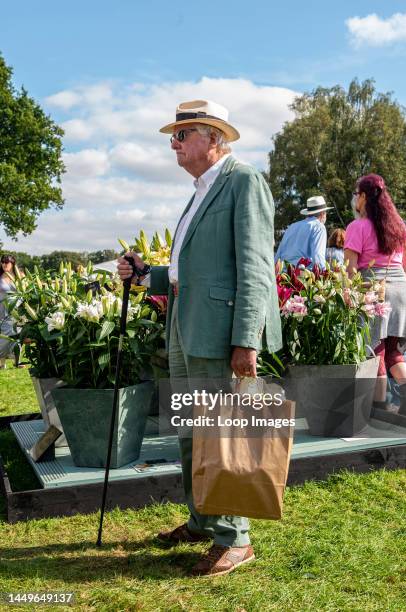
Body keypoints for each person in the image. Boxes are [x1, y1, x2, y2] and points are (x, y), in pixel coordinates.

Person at [118, 99, 282, 577]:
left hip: (218, 333)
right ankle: (203, 520)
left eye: (184, 133)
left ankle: (236, 538)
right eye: (175, 133)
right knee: (193, 434)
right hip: (186, 330)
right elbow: (190, 272)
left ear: (214, 138)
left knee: (222, 433)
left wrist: (246, 338)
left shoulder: (243, 181)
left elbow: (255, 266)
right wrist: (147, 274)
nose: (175, 142)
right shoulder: (199, 192)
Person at [344, 174, 406, 416]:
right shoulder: (399, 227)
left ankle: (379, 405)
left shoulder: (357, 227)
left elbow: (350, 269)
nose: (354, 199)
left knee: (374, 349)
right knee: (394, 350)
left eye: (355, 194)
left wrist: (347, 295)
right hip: (402, 290)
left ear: (363, 197)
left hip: (374, 290)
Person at [275, 196, 333, 269]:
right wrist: (325, 273)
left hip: (283, 275)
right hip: (303, 275)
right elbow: (317, 256)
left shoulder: (292, 226)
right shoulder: (319, 227)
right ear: (322, 214)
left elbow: (279, 254)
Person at [0, 254, 18, 368]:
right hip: (2, 309)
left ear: (12, 264)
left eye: (7, 262)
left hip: (16, 310)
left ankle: (17, 361)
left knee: (17, 335)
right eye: (2, 262)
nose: (4, 264)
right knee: (3, 337)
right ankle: (2, 363)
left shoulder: (19, 277)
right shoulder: (0, 277)